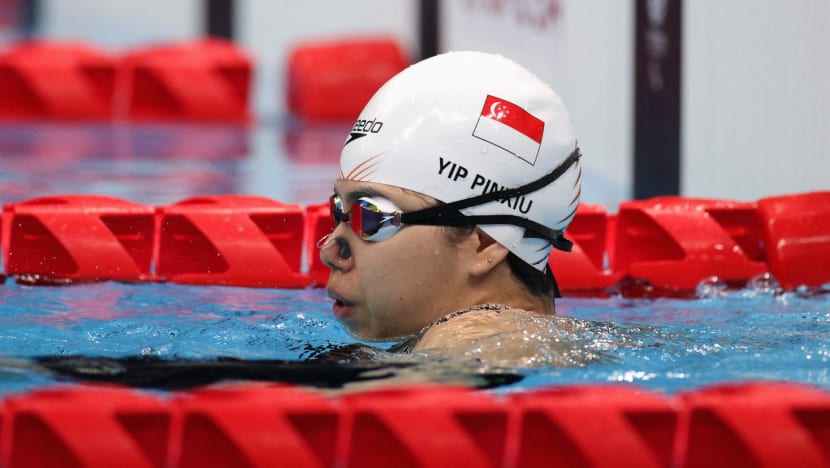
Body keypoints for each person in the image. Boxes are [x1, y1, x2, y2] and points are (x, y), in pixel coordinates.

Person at [318, 51, 586, 367]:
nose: (330, 251)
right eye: (339, 210)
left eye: (373, 216)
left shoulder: (481, 347)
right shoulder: (526, 342)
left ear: (485, 243)